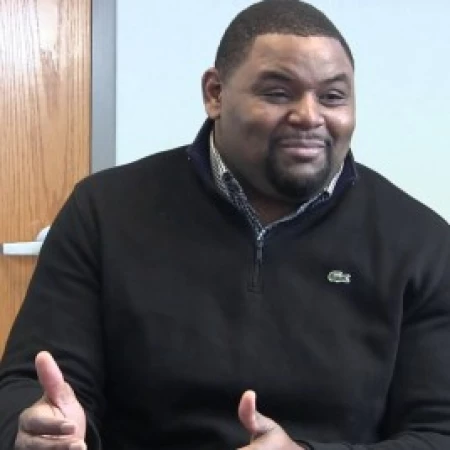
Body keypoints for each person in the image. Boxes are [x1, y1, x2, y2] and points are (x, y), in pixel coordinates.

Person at [1, 0, 450, 448]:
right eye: (278, 93)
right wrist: (37, 427)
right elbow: (30, 382)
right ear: (215, 93)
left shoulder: (419, 242)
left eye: (332, 96)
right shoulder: (104, 210)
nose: (310, 116)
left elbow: (438, 430)